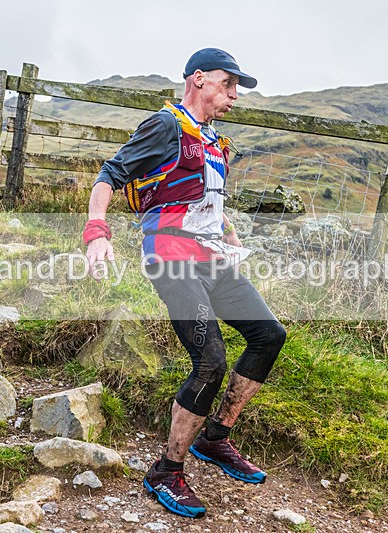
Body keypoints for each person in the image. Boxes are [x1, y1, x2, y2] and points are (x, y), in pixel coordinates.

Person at [83, 48, 286, 519]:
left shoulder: (213, 139)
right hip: (171, 257)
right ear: (198, 79)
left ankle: (215, 438)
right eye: (227, 84)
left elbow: (207, 201)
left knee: (268, 334)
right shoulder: (166, 126)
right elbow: (110, 174)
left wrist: (230, 236)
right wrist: (97, 231)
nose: (234, 95)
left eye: (237, 87)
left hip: (211, 257)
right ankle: (166, 470)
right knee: (211, 359)